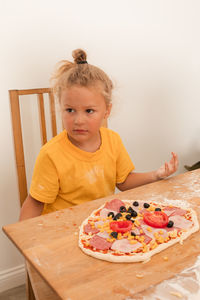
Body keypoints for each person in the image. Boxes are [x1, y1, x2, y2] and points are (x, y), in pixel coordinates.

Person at [19, 49, 178, 221]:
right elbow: (35, 203)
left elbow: (123, 182)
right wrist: (27, 241)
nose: (79, 120)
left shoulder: (112, 140)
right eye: (70, 110)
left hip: (100, 222)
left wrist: (156, 175)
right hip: (61, 228)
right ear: (61, 107)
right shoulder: (51, 154)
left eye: (89, 111)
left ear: (106, 111)